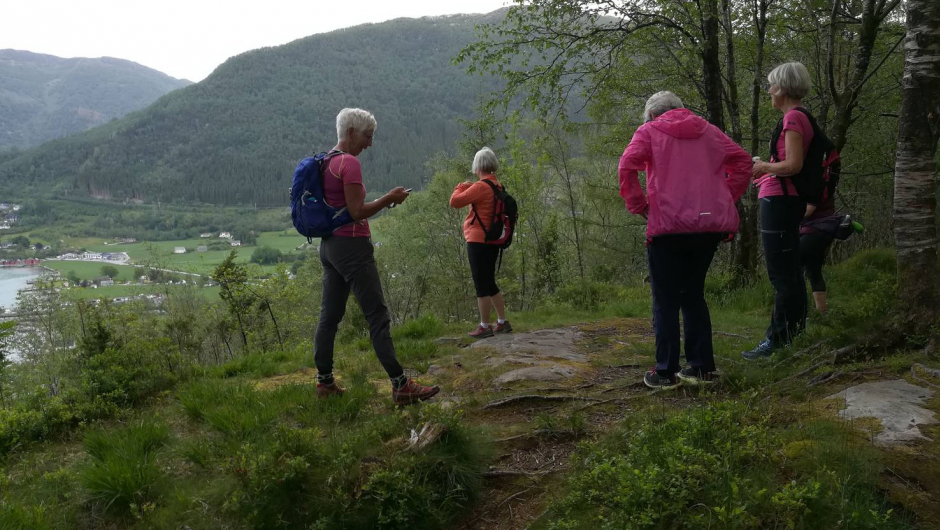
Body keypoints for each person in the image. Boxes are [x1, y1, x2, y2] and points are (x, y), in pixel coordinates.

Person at [619, 91, 752, 389]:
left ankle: (665, 372)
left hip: (667, 227)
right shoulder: (708, 131)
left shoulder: (649, 131)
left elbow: (626, 167)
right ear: (680, 109)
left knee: (665, 298)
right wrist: (722, 199)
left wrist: (639, 205)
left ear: (652, 115)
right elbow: (743, 162)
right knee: (693, 294)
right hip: (707, 228)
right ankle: (701, 368)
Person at [314, 108, 440, 405]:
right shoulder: (349, 163)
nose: (369, 144)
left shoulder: (325, 162)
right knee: (377, 316)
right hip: (353, 248)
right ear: (350, 133)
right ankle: (400, 385)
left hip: (329, 247)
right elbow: (357, 212)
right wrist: (388, 199)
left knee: (329, 317)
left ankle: (324, 383)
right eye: (367, 137)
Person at [743, 62, 815, 360]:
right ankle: (793, 335)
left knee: (781, 274)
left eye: (772, 85)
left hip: (781, 201)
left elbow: (793, 165)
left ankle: (777, 341)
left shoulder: (793, 119)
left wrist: (762, 167)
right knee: (791, 271)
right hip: (787, 199)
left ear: (783, 89)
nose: (769, 91)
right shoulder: (800, 117)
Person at [449, 147, 512, 338]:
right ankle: (502, 322)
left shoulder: (480, 187)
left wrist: (460, 186)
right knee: (490, 280)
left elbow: (455, 202)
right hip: (493, 240)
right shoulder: (497, 186)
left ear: (478, 165)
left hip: (478, 240)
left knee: (480, 284)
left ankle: (484, 326)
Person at [801, 200, 835, 315]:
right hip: (819, 230)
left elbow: (807, 211)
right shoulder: (823, 184)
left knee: (793, 268)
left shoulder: (816, 185)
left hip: (814, 231)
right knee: (813, 270)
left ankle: (797, 312)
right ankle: (821, 312)